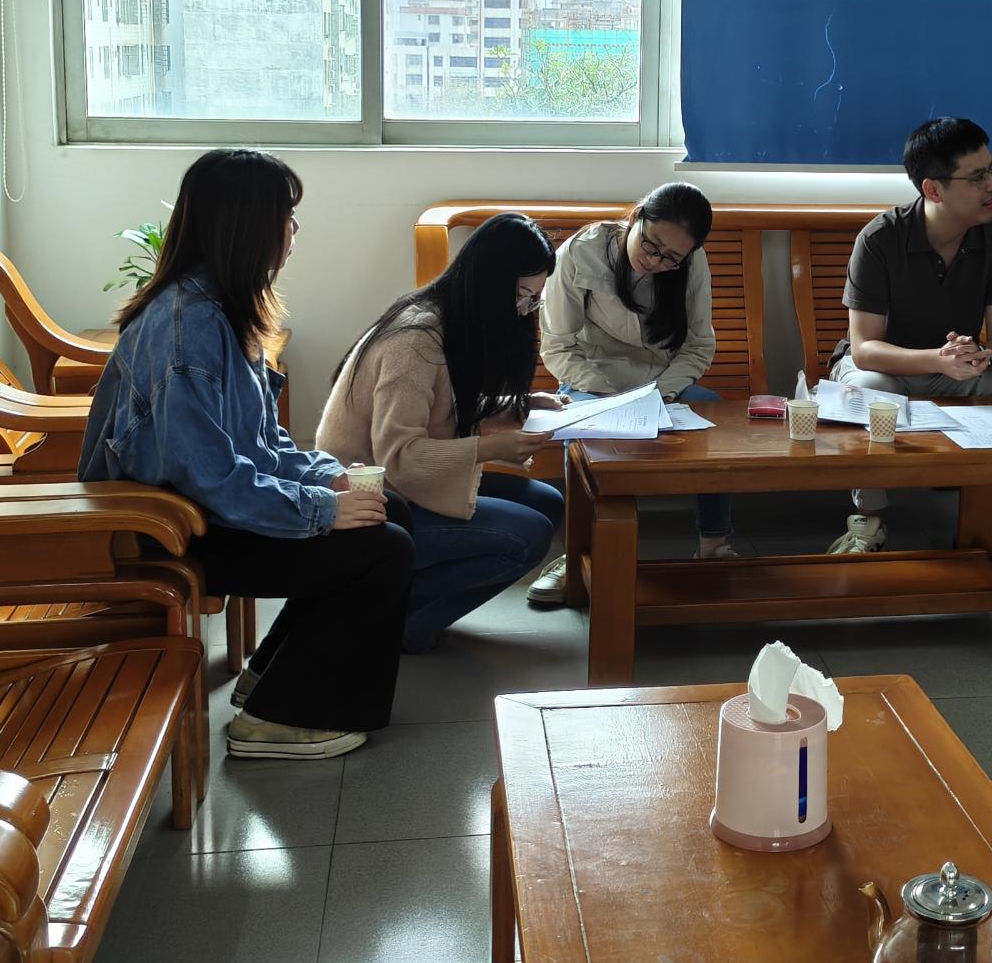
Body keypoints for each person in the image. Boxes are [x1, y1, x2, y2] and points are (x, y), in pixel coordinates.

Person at [79, 148, 410, 763]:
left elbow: (262, 443)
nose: (294, 229)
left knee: (381, 515)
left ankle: (271, 679)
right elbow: (207, 475)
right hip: (171, 528)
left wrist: (328, 478)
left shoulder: (224, 310)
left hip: (207, 511)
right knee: (380, 550)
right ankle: (276, 721)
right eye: (286, 214)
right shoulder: (188, 327)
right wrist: (318, 510)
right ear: (246, 225)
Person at [316, 213, 565, 652]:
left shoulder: (447, 318)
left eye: (533, 300)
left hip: (402, 485)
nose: (522, 310)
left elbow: (443, 408)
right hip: (370, 501)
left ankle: (397, 606)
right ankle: (393, 619)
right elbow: (400, 456)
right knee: (526, 535)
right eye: (520, 296)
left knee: (548, 502)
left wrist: (519, 406)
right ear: (489, 282)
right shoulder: (415, 340)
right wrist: (491, 446)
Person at [829, 116, 992, 565]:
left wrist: (981, 356)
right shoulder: (881, 238)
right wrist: (937, 360)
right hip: (889, 369)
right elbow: (864, 348)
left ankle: (991, 517)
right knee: (870, 390)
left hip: (956, 368)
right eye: (977, 176)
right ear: (933, 189)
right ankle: (869, 521)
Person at [536, 183, 740, 598]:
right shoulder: (580, 252)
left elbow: (698, 346)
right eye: (651, 245)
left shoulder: (690, 262)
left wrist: (660, 393)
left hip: (662, 385)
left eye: (671, 258)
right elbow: (558, 346)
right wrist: (610, 395)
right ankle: (579, 553)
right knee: (582, 433)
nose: (656, 261)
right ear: (636, 217)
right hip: (593, 380)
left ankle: (714, 544)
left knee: (712, 417)